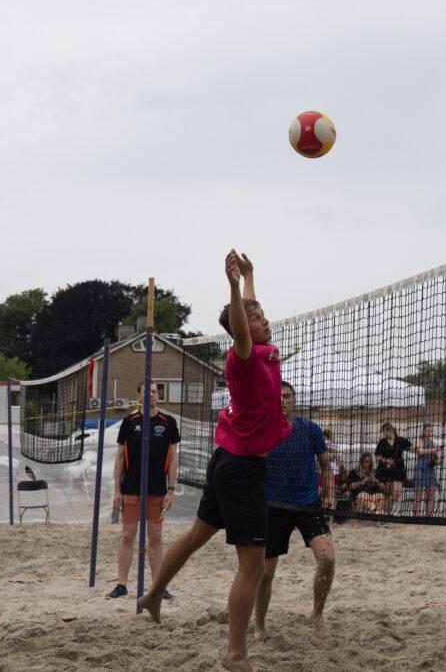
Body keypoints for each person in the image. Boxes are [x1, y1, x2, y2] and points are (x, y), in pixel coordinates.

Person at [138, 250, 291, 672]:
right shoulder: (243, 357)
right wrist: (234, 287)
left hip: (228, 460)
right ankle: (235, 654)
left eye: (262, 315)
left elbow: (249, 314)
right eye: (257, 318)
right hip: (241, 470)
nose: (264, 320)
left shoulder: (263, 349)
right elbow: (241, 327)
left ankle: (153, 594)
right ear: (242, 328)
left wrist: (250, 278)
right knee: (253, 567)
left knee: (195, 536)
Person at [254, 382, 336, 639]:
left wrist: (330, 493)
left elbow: (325, 465)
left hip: (308, 504)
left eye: (287, 396)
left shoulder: (310, 429)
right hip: (273, 506)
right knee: (265, 573)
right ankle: (259, 625)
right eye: (278, 396)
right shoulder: (263, 429)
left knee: (328, 559)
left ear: (295, 400)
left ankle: (317, 614)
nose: (283, 400)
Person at [106, 382, 179, 600]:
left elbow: (173, 458)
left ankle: (158, 586)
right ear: (139, 396)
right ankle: (121, 585)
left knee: (155, 537)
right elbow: (120, 457)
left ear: (158, 396)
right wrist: (117, 490)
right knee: (128, 536)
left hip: (157, 490)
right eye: (146, 392)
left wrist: (171, 489)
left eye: (154, 392)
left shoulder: (168, 422)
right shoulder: (129, 422)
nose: (151, 395)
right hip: (131, 489)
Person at [374, 423, 411, 514]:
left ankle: (382, 509)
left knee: (396, 492)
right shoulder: (382, 442)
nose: (383, 434)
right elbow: (377, 457)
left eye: (384, 432)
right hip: (385, 470)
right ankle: (386, 515)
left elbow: (410, 448)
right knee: (387, 493)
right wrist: (386, 460)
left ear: (389, 430)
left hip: (398, 469)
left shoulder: (400, 440)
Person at [412, 423, 438, 516]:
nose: (429, 432)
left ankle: (428, 516)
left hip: (430, 469)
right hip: (421, 469)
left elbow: (437, 458)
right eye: (428, 430)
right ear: (423, 431)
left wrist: (437, 461)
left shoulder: (433, 443)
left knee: (431, 494)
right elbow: (420, 451)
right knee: (418, 494)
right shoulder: (419, 440)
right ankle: (416, 515)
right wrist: (434, 450)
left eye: (431, 431)